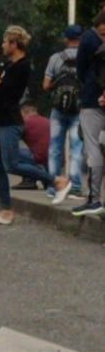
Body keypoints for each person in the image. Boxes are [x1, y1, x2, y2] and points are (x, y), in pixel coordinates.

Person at [0, 26, 70, 225]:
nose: (3, 45)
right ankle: (6, 210)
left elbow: (9, 93)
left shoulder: (23, 67)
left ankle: (57, 181)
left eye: (6, 42)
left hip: (9, 122)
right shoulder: (5, 65)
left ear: (14, 44)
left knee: (11, 164)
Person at [41, 24, 84, 199]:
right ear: (81, 39)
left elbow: (45, 86)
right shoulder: (87, 58)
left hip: (58, 109)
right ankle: (74, 187)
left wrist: (58, 84)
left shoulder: (55, 58)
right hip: (79, 109)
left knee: (55, 148)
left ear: (66, 39)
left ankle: (54, 185)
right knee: (76, 148)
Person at [71, 11, 105, 217]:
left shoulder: (89, 40)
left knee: (92, 148)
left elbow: (81, 70)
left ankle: (94, 199)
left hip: (93, 99)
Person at [11, 103, 50, 190]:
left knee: (10, 152)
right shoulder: (47, 120)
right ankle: (46, 178)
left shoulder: (26, 123)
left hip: (40, 157)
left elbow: (11, 141)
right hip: (53, 159)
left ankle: (29, 179)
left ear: (24, 113)